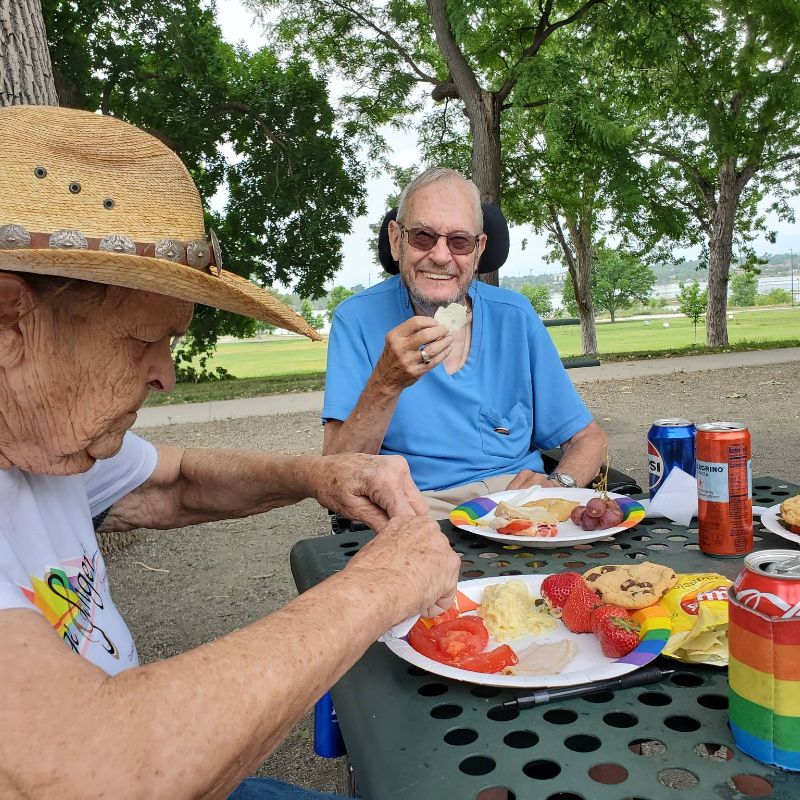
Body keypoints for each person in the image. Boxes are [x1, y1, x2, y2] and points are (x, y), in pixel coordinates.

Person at [0, 106, 461, 799]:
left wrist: (317, 474)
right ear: (10, 322)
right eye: (140, 340)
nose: (165, 375)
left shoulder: (41, 440)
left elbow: (174, 483)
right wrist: (385, 581)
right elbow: (81, 773)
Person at [322, 167, 608, 518]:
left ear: (478, 249)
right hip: (418, 508)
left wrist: (561, 483)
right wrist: (385, 382)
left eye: (459, 241)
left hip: (519, 502)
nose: (441, 256)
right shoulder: (357, 318)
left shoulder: (514, 315)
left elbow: (589, 439)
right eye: (423, 236)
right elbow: (335, 475)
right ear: (396, 240)